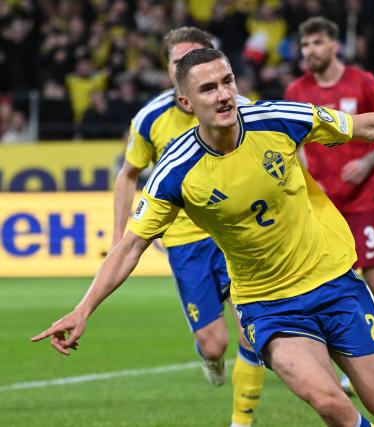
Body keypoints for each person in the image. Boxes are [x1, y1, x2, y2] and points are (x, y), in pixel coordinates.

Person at [32, 47, 374, 427]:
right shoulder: (174, 172)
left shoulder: (278, 118)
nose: (223, 95)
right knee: (331, 402)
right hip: (268, 304)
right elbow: (131, 246)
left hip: (334, 280)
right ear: (186, 102)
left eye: (228, 82)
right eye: (208, 89)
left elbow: (364, 126)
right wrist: (84, 307)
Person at [111, 27, 264, 427]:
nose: (188, 66)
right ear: (169, 70)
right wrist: (118, 239)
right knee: (215, 344)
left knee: (252, 328)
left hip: (236, 233)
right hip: (185, 242)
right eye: (179, 61)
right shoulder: (149, 119)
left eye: (196, 57)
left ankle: (240, 421)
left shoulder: (241, 107)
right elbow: (128, 175)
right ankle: (208, 357)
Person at [283, 16, 374, 393]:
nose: (310, 52)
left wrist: (368, 162)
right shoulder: (297, 90)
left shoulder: (363, 82)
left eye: (317, 43)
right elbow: (293, 146)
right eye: (305, 46)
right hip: (324, 207)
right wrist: (307, 180)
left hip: (367, 198)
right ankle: (354, 367)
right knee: (331, 287)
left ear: (334, 45)